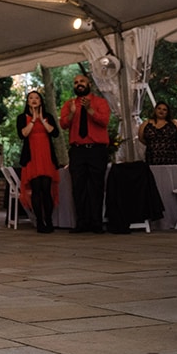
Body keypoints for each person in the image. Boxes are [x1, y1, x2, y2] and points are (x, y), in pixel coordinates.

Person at [59, 73, 111, 234]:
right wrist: (73, 113)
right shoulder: (69, 104)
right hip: (78, 151)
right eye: (76, 82)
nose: (78, 84)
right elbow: (63, 124)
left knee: (96, 187)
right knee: (78, 187)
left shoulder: (100, 102)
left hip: (96, 150)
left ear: (89, 83)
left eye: (81, 81)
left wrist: (89, 109)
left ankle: (96, 223)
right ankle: (81, 222)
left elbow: (104, 121)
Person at [16, 90, 60, 233]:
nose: (34, 100)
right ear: (27, 102)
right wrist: (33, 120)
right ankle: (39, 221)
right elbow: (23, 134)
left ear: (41, 101)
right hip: (32, 157)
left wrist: (41, 120)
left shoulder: (48, 117)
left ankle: (49, 220)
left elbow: (55, 133)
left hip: (46, 155)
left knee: (46, 189)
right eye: (31, 98)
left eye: (37, 98)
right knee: (36, 189)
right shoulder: (22, 117)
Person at [138, 102, 177, 166]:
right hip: (153, 158)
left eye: (164, 110)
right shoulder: (146, 124)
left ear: (168, 112)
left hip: (172, 159)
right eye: (159, 108)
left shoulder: (175, 123)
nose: (161, 111)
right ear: (155, 110)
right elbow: (141, 138)